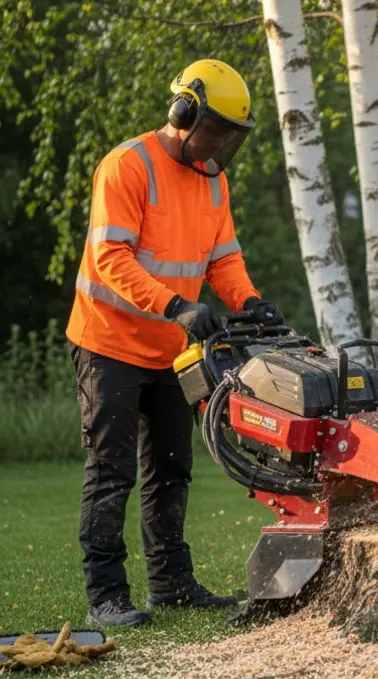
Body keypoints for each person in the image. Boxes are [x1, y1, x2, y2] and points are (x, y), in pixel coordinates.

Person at [65, 60, 283, 627]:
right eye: (212, 130)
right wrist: (178, 306)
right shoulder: (127, 167)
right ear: (183, 113)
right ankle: (107, 595)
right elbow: (112, 258)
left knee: (171, 467)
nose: (219, 146)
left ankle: (170, 584)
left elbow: (223, 260)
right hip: (108, 344)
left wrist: (250, 302)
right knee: (111, 470)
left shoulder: (213, 178)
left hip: (172, 350)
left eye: (229, 137)